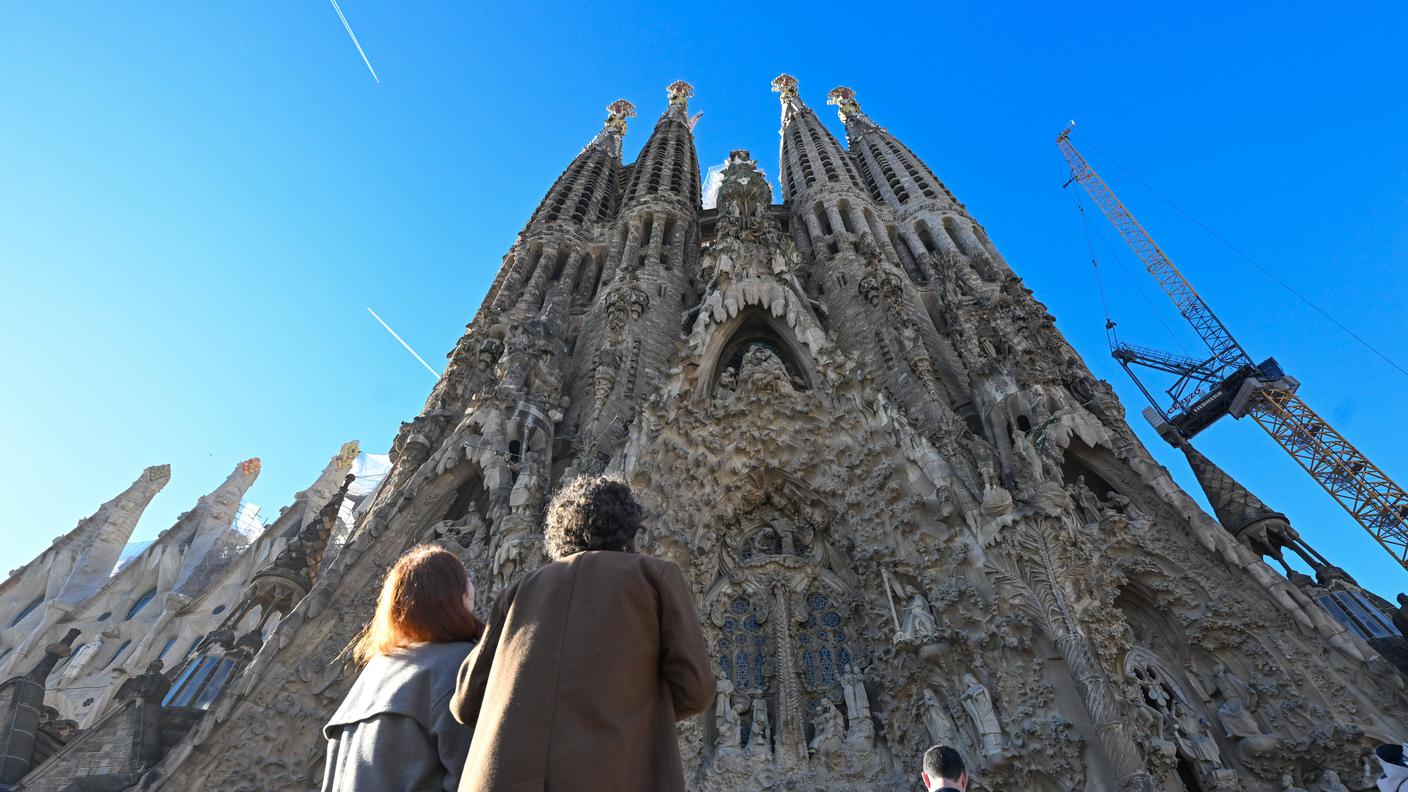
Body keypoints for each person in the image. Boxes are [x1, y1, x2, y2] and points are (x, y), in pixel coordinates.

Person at [452, 476, 714, 792]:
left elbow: (466, 704)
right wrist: (633, 713)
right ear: (630, 528)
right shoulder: (654, 577)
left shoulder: (518, 591)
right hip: (613, 775)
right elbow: (696, 689)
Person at [321, 545, 482, 792]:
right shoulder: (460, 664)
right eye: (466, 579)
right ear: (454, 595)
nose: (472, 588)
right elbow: (478, 774)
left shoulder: (375, 671)